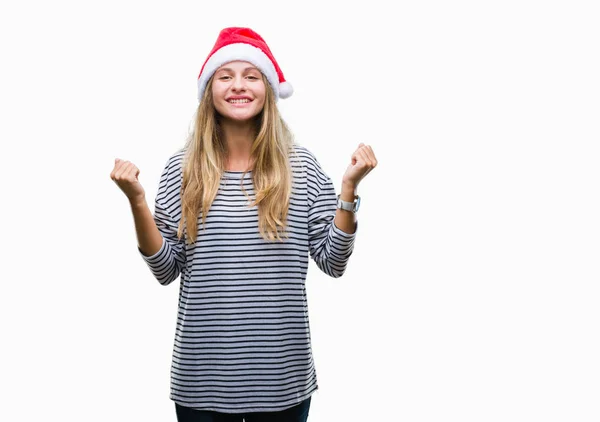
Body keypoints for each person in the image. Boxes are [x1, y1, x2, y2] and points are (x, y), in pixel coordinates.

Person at [110, 27, 377, 422]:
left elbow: (333, 262)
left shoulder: (300, 166)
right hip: (203, 384)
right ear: (209, 91)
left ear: (268, 89)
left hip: (282, 383)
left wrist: (349, 191)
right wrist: (136, 201)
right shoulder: (182, 168)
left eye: (251, 76)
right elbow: (166, 269)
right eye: (226, 75)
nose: (239, 85)